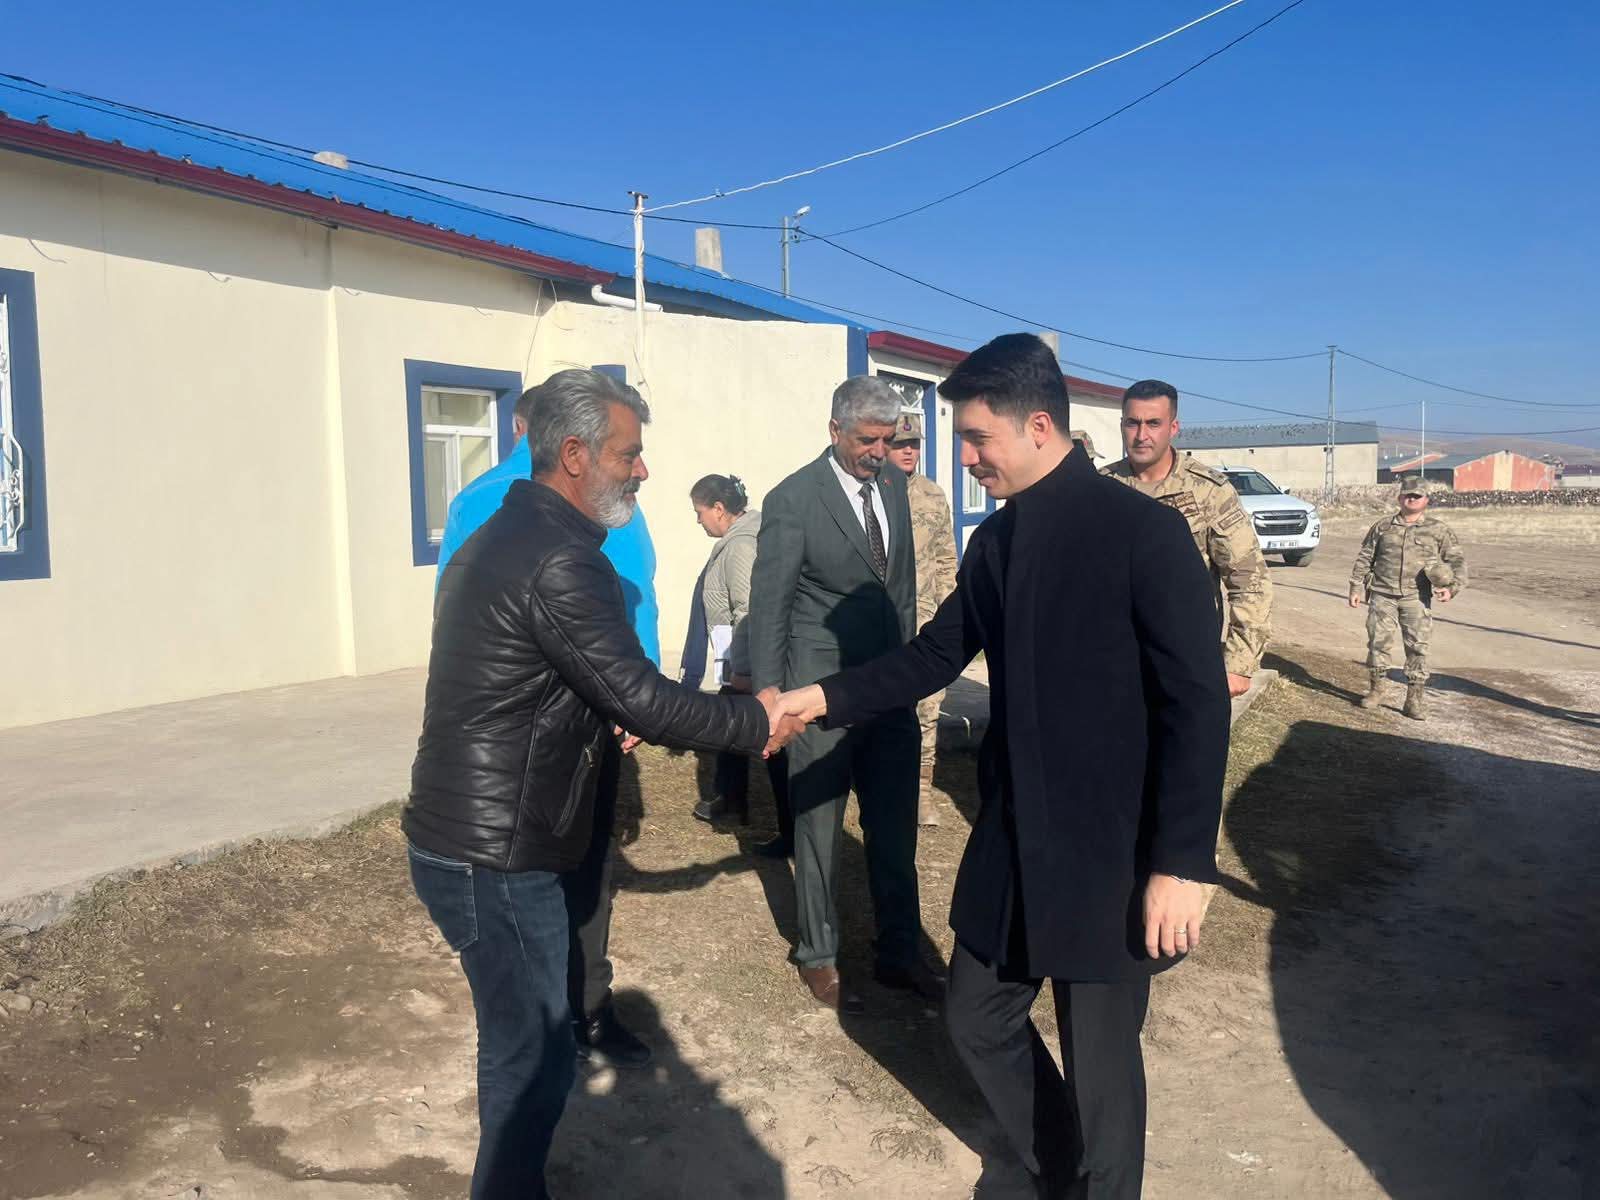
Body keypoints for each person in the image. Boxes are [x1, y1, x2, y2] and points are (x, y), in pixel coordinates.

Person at [777, 334, 1230, 1200]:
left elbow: (1197, 705)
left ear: (1038, 426)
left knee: (1102, 1070)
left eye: (977, 438)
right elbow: (933, 655)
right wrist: (820, 697)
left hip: (1110, 851)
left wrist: (1181, 863)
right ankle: (1056, 1169)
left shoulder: (1143, 533)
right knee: (976, 1015)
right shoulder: (998, 542)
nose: (966, 458)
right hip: (1014, 839)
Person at [405, 367, 799, 1199]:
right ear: (576, 454)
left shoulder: (510, 535)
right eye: (630, 454)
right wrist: (756, 720)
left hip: (481, 836)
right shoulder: (557, 558)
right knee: (535, 1055)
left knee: (524, 1044)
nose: (643, 470)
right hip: (493, 850)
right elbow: (643, 700)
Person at [434, 380, 661, 1071]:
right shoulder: (565, 503)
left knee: (554, 875)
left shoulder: (488, 501)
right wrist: (640, 689)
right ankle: (570, 1013)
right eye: (628, 452)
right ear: (564, 444)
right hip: (567, 723)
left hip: (561, 724)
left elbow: (451, 613)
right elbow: (640, 594)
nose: (639, 469)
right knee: (568, 873)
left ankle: (559, 1014)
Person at [748, 376, 944, 1013]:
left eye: (888, 440)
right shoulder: (793, 499)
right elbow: (770, 606)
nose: (879, 452)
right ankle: (819, 953)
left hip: (887, 691)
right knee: (819, 829)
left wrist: (909, 673)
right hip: (819, 696)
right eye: (867, 440)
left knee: (895, 829)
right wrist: (771, 698)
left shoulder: (894, 488)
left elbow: (902, 590)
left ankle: (900, 952)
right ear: (835, 431)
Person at [1101, 379, 1273, 697]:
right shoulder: (1100, 488)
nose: (1141, 435)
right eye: (1132, 423)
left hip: (1185, 658)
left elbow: (1249, 579)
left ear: (1174, 427)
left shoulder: (1209, 492)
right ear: (1122, 425)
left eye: (1154, 423)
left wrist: (1238, 664)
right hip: (1113, 658)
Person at [680, 473, 793, 855]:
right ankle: (730, 799)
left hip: (746, 660)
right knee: (730, 729)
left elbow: (748, 610)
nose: (698, 521)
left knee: (772, 741)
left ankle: (789, 831)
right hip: (735, 654)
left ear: (719, 509)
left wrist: (744, 672)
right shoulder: (736, 539)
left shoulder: (742, 545)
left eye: (699, 512)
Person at [885, 407, 959, 827]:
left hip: (925, 621)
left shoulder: (933, 495)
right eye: (901, 444)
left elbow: (946, 558)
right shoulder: (871, 494)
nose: (909, 451)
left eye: (914, 444)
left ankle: (921, 792)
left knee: (927, 706)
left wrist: (949, 614)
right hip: (880, 621)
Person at [1348, 474, 1467, 719]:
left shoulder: (1438, 530)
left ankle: (1414, 700)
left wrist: (1451, 588)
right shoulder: (1383, 527)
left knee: (1417, 647)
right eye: (1407, 495)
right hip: (1382, 594)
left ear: (1426, 500)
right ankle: (1376, 690)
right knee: (1377, 643)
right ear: (1399, 498)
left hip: (1416, 597)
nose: (1411, 499)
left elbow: (1457, 562)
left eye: (1417, 496)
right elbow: (1365, 557)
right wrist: (1355, 587)